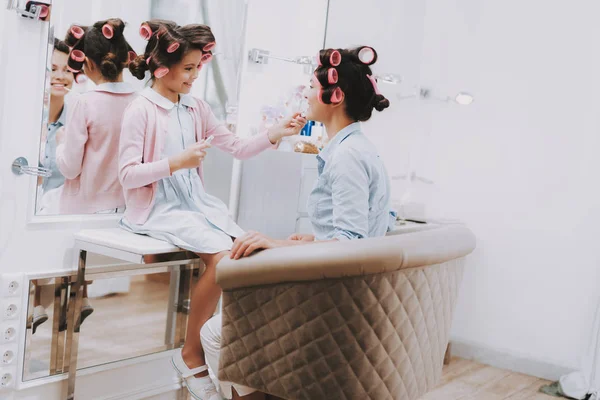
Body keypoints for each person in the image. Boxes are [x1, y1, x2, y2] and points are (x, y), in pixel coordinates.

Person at [118, 19, 306, 400]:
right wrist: (175, 163)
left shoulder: (196, 107)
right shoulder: (140, 110)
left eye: (197, 67)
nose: (194, 76)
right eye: (188, 68)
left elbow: (236, 147)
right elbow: (127, 175)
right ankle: (191, 355)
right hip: (159, 208)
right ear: (161, 68)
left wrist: (277, 133)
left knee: (247, 254)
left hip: (198, 205)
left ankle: (228, 352)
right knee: (222, 260)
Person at [200, 46, 393, 400]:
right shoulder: (351, 148)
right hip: (338, 284)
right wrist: (309, 239)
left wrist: (277, 245)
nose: (304, 92)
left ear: (335, 97)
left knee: (213, 335)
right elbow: (350, 234)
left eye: (309, 85)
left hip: (336, 297)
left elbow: (351, 244)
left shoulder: (347, 157)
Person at [56, 18, 137, 214]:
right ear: (125, 59)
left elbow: (70, 168)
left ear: (88, 63)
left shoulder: (83, 103)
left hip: (84, 212)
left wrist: (61, 142)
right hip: (127, 209)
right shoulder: (139, 102)